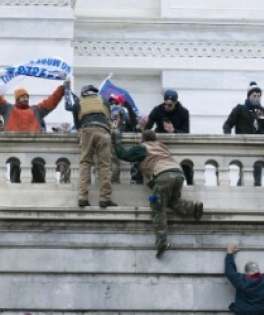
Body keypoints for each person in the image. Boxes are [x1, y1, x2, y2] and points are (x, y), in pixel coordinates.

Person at [113, 129, 203, 258]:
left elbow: (124, 155)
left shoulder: (143, 147)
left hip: (163, 176)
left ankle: (162, 241)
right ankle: (193, 208)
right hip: (178, 174)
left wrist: (117, 141)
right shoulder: (162, 147)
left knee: (157, 207)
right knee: (171, 201)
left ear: (143, 139)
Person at [71, 84, 116, 208]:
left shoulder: (78, 103)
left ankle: (82, 197)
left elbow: (77, 125)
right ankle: (105, 198)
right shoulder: (104, 101)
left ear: (83, 93)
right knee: (104, 165)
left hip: (86, 130)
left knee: (85, 163)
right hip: (103, 131)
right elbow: (108, 119)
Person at [223, 81, 264, 186]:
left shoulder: (261, 112)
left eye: (259, 96)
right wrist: (229, 138)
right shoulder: (240, 109)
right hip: (244, 146)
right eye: (254, 96)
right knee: (245, 175)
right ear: (249, 96)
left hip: (259, 148)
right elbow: (228, 125)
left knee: (257, 178)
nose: (257, 98)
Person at [142, 89, 192, 184]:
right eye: (165, 104)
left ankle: (189, 183)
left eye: (170, 105)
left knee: (186, 164)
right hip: (160, 144)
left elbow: (186, 132)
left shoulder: (183, 112)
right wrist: (143, 125)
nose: (166, 107)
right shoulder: (157, 109)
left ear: (176, 103)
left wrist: (173, 131)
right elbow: (147, 128)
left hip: (177, 145)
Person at [0, 78, 67, 133]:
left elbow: (51, 101)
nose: (26, 99)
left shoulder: (37, 110)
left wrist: (62, 89)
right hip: (12, 147)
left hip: (32, 147)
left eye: (27, 97)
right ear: (17, 99)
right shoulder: (7, 109)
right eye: (23, 97)